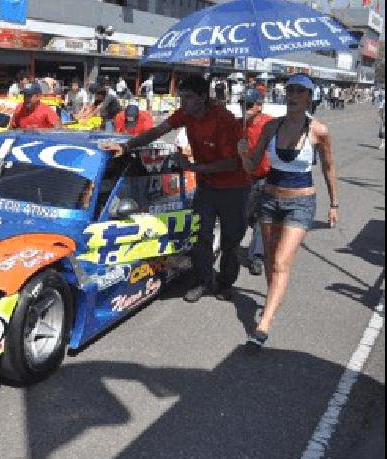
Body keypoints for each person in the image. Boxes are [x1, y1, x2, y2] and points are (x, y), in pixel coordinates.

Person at [100, 75, 249, 303]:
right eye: (181, 98)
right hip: (207, 188)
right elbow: (157, 131)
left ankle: (225, 283)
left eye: (188, 98)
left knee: (231, 242)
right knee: (200, 237)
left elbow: (231, 163)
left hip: (234, 189)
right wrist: (126, 145)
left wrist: (192, 166)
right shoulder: (185, 114)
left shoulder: (225, 119)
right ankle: (202, 280)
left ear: (202, 97)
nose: (183, 103)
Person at [237, 74, 338, 352]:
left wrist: (333, 204)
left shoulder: (319, 131)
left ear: (309, 97)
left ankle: (263, 325)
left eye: (299, 91)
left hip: (301, 204)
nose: (292, 95)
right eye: (289, 90)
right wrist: (243, 153)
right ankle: (274, 297)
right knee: (271, 261)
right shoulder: (271, 126)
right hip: (269, 199)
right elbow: (252, 166)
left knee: (281, 262)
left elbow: (329, 168)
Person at [238, 88, 274, 277]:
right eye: (242, 104)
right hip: (246, 179)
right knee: (243, 215)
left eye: (249, 104)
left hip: (266, 178)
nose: (245, 108)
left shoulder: (269, 123)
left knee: (262, 217)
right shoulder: (239, 126)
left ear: (259, 106)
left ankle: (256, 257)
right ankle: (233, 246)